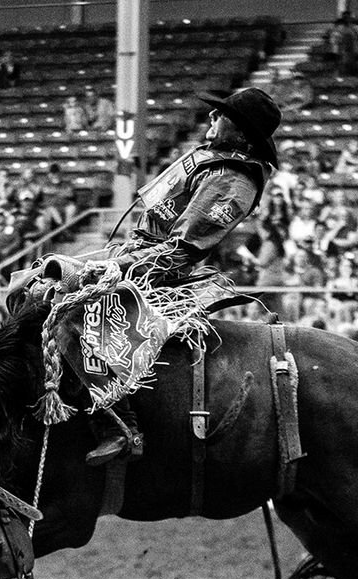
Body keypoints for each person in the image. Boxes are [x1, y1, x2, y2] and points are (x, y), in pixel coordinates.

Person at [81, 87, 281, 465]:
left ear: (239, 130)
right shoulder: (216, 163)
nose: (210, 118)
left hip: (161, 274)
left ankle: (119, 423)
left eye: (220, 115)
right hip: (137, 257)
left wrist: (116, 268)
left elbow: (182, 251)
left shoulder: (233, 180)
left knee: (80, 317)